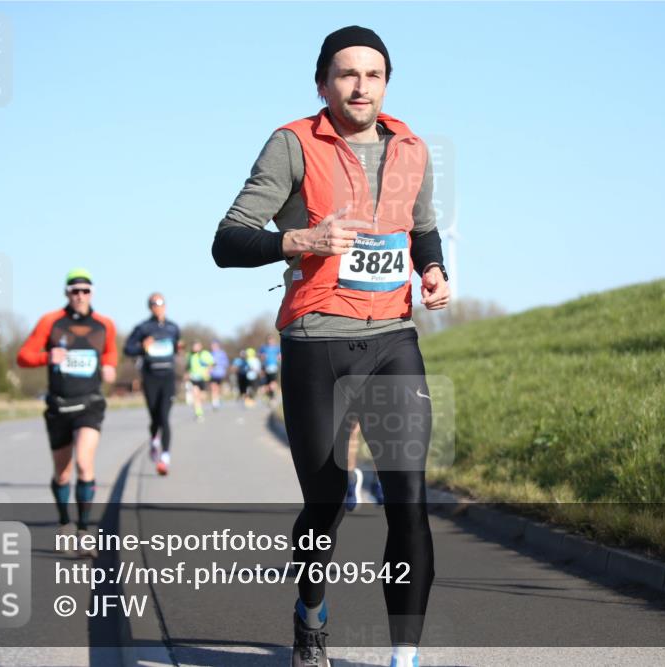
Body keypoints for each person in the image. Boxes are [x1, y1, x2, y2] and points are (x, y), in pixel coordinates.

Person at [213, 26, 450, 667]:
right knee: (327, 501)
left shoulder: (413, 150)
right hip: (317, 341)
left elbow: (421, 230)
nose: (361, 86)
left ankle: (405, 657)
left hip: (394, 339)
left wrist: (433, 270)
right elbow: (227, 240)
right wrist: (300, 242)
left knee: (408, 498)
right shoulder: (292, 144)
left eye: (373, 75)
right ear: (324, 84)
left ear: (386, 84)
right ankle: (311, 613)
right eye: (347, 74)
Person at [17, 268, 117, 559]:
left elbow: (110, 352)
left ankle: (85, 532)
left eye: (85, 290)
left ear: (92, 293)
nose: (80, 296)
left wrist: (110, 366)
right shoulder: (51, 322)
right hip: (59, 405)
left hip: (90, 403)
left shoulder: (104, 324)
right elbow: (23, 357)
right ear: (67, 294)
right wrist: (47, 357)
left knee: (85, 464)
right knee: (62, 473)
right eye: (75, 291)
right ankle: (64, 523)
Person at [124, 293, 182, 476]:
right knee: (155, 417)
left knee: (165, 416)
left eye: (160, 303)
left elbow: (176, 346)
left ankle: (165, 457)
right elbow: (127, 349)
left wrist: (177, 349)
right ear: (149, 307)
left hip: (168, 376)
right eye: (153, 304)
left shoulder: (173, 328)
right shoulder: (143, 328)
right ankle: (154, 439)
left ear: (165, 305)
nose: (157, 306)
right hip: (150, 377)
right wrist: (142, 346)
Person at [186, 340, 214, 421]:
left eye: (197, 346)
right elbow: (188, 367)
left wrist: (208, 371)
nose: (195, 348)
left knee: (203, 397)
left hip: (203, 378)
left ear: (200, 346)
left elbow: (211, 364)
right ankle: (198, 413)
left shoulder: (205, 354)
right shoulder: (189, 355)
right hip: (194, 378)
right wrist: (187, 374)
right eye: (194, 346)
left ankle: (200, 408)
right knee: (195, 395)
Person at [260, 334, 283, 404]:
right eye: (269, 339)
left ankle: (272, 398)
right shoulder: (263, 348)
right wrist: (262, 356)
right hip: (266, 367)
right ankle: (270, 397)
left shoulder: (277, 348)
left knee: (273, 384)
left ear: (274, 340)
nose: (270, 341)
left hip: (274, 367)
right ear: (267, 340)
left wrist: (279, 357)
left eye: (271, 339)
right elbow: (260, 356)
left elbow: (280, 355)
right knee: (267, 384)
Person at [208, 341, 229, 410]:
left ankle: (218, 398)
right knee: (213, 387)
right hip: (212, 373)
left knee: (218, 387)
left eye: (214, 345)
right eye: (212, 345)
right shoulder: (210, 353)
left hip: (219, 373)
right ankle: (214, 402)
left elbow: (226, 362)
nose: (213, 347)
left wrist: (219, 365)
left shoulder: (222, 353)